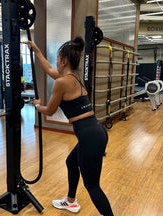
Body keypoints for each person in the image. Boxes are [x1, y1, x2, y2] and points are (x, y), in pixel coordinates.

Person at [27, 36, 114, 215]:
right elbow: (49, 69)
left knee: (92, 186)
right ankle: (70, 201)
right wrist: (36, 51)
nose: (56, 63)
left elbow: (49, 111)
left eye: (58, 60)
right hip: (96, 132)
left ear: (64, 61)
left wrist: (36, 105)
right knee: (71, 162)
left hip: (90, 137)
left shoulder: (61, 82)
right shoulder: (75, 78)